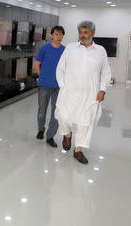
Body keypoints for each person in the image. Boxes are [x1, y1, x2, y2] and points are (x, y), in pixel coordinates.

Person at [55, 20, 111, 164]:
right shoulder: (70, 48)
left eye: (86, 32)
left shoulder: (100, 51)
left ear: (93, 33)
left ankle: (78, 150)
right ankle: (67, 134)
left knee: (85, 123)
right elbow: (60, 68)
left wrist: (102, 90)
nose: (82, 35)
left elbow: (105, 73)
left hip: (90, 94)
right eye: (80, 32)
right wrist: (63, 86)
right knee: (64, 116)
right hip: (69, 92)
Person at [34, 26, 66, 147]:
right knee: (42, 110)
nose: (59, 37)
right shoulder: (44, 49)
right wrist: (41, 75)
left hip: (59, 87)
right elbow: (37, 64)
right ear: (51, 35)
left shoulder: (65, 50)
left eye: (61, 34)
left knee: (56, 113)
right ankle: (41, 129)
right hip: (44, 85)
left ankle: (50, 136)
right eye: (56, 34)